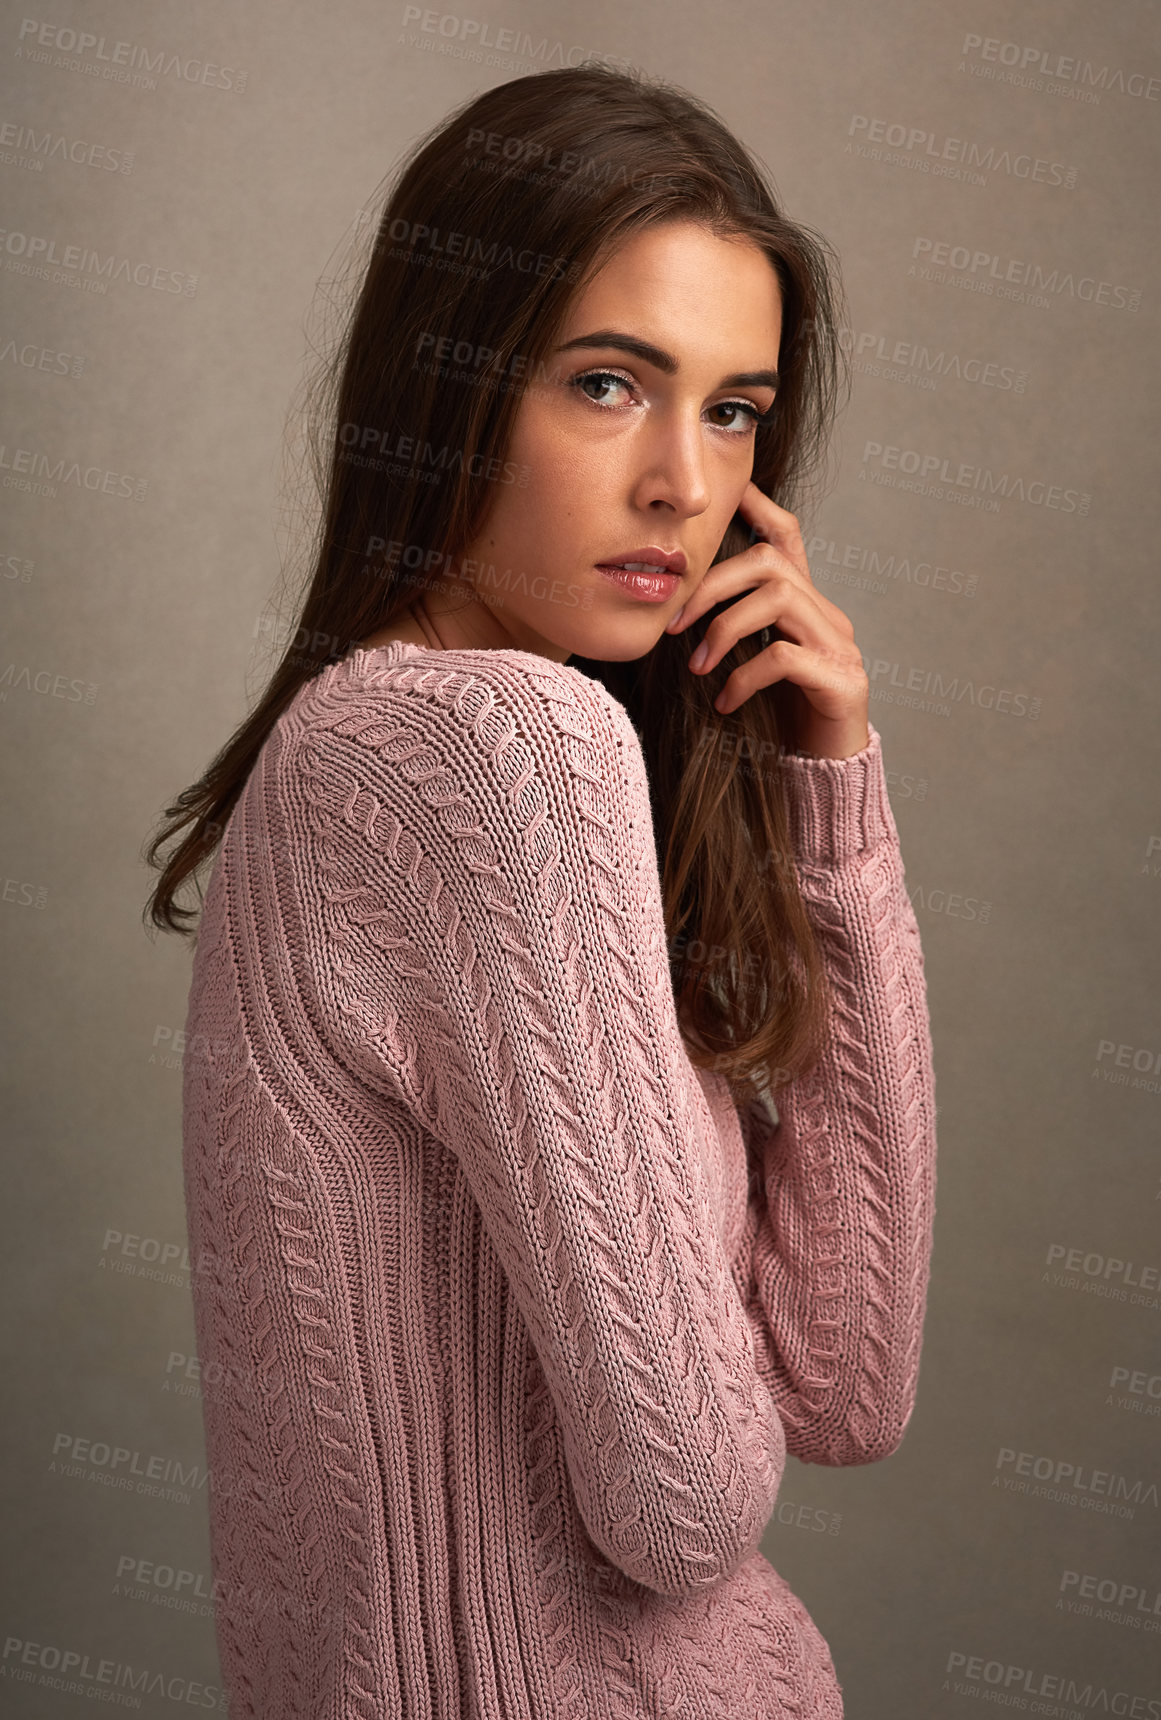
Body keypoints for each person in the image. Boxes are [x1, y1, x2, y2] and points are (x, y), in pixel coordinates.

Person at [145, 60, 937, 1720]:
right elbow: (690, 1506)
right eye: (603, 385)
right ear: (449, 386)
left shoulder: (371, 750)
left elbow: (845, 1380)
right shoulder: (499, 746)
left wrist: (828, 804)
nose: (683, 482)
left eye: (730, 409)